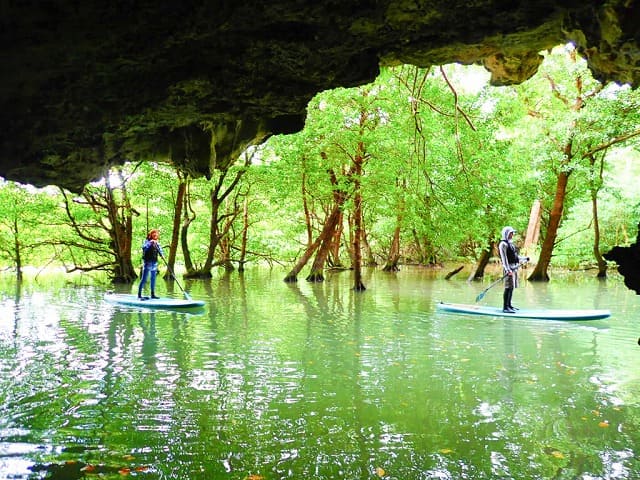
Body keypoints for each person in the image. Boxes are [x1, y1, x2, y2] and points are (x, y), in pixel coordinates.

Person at [498, 226, 529, 313]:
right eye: (511, 233)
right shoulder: (503, 244)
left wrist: (524, 258)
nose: (512, 235)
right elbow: (504, 259)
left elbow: (515, 257)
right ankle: (505, 307)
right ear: (506, 234)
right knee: (508, 287)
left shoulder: (510, 244)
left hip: (514, 268)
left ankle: (509, 305)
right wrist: (508, 270)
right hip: (508, 269)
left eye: (512, 233)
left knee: (512, 287)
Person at [137, 229, 164, 299]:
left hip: (154, 263)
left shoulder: (157, 243)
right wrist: (150, 243)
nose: (155, 235)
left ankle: (152, 294)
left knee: (153, 279)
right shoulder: (147, 241)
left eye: (156, 234)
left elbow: (160, 250)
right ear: (151, 235)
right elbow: (144, 248)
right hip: (147, 263)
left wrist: (162, 255)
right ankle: (139, 295)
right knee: (144, 279)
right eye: (153, 234)